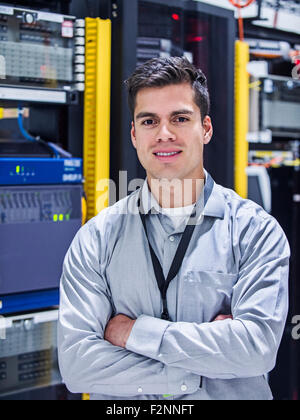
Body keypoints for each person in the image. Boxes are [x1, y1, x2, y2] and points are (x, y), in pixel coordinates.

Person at [58, 57, 290, 400]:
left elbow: (256, 349)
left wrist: (134, 332)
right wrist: (203, 368)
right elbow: (78, 368)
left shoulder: (255, 233)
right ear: (135, 135)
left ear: (206, 128)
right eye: (150, 121)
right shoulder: (96, 239)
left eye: (180, 119)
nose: (164, 133)